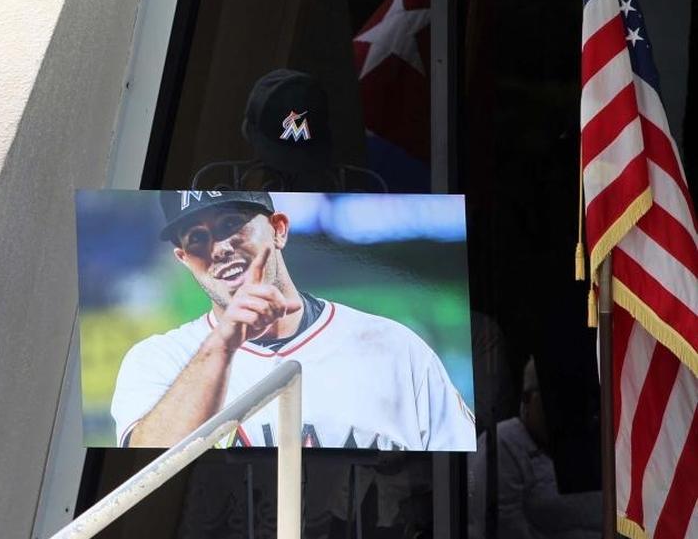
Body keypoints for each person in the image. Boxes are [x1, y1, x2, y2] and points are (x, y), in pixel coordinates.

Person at [110, 190, 475, 450]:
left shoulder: (396, 347)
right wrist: (223, 344)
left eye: (231, 223)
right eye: (197, 238)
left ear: (279, 229)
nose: (218, 248)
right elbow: (144, 477)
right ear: (183, 258)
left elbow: (463, 481)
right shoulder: (158, 360)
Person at [467, 358, 601, 539]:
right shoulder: (503, 443)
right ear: (527, 400)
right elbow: (505, 530)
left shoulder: (591, 444)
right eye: (552, 394)